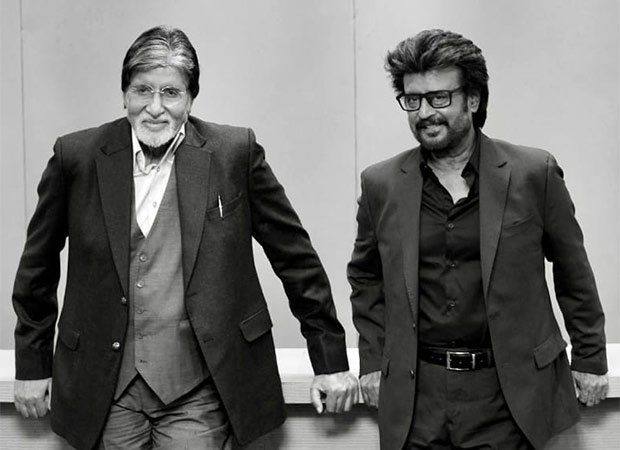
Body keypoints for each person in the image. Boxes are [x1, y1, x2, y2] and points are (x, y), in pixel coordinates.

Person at [12, 25, 358, 450]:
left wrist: (330, 359)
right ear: (124, 95)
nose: (155, 108)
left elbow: (296, 258)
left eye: (171, 93)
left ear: (191, 98)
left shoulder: (234, 153)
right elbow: (38, 266)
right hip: (107, 387)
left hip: (200, 387)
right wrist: (32, 363)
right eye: (142, 90)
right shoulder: (78, 157)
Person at [348, 29, 608, 449]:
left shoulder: (532, 173)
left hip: (509, 396)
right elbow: (365, 278)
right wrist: (374, 359)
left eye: (439, 98)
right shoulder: (381, 184)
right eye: (412, 100)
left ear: (472, 99)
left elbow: (572, 269)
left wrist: (590, 357)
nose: (424, 113)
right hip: (417, 401)